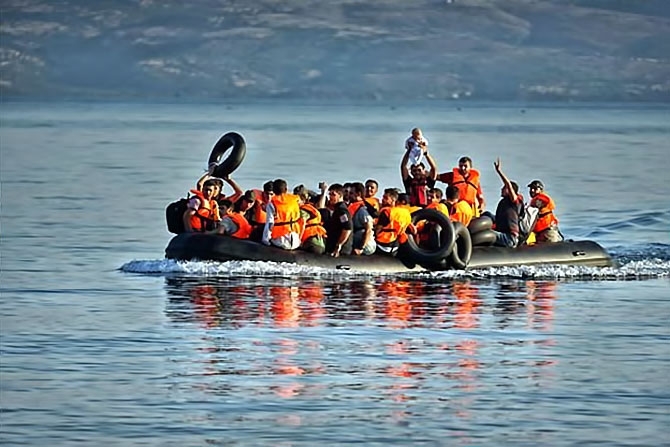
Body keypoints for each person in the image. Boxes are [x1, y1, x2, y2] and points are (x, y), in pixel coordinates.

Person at [491, 158, 523, 248]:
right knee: (488, 214)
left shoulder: (514, 202)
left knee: (489, 234)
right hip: (503, 234)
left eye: (503, 188)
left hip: (510, 238)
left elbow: (508, 185)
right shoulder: (503, 203)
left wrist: (499, 171)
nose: (501, 189)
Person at [262, 179, 302, 250]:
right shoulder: (295, 201)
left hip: (281, 241)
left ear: (273, 191)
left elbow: (270, 223)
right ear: (286, 189)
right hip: (296, 240)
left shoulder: (272, 204)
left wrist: (265, 240)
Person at [375, 188, 415, 255]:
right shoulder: (406, 213)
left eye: (385, 198)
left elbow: (378, 230)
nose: (382, 199)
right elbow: (414, 230)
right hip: (396, 246)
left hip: (382, 245)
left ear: (393, 200)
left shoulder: (386, 212)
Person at [321, 183, 353, 257]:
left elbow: (347, 228)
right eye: (329, 194)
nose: (330, 197)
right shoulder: (337, 209)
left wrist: (339, 246)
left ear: (340, 195)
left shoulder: (342, 211)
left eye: (333, 194)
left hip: (342, 250)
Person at [293, 184, 327, 254]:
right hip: (321, 242)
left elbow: (302, 225)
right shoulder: (311, 208)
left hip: (311, 243)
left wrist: (298, 242)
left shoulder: (303, 210)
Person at [347, 182, 377, 255]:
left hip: (366, 246)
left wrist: (361, 248)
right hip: (356, 242)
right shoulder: (353, 207)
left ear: (358, 194)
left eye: (351, 193)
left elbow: (369, 229)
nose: (348, 196)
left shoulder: (362, 210)